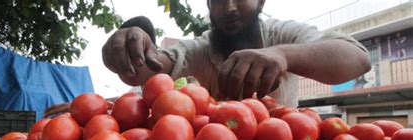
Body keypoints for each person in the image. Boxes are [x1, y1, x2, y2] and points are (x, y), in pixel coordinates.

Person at [46, 0, 371, 116]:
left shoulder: (282, 35)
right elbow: (145, 72)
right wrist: (126, 47)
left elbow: (357, 58)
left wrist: (282, 56)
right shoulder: (200, 49)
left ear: (260, 1)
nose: (229, 7)